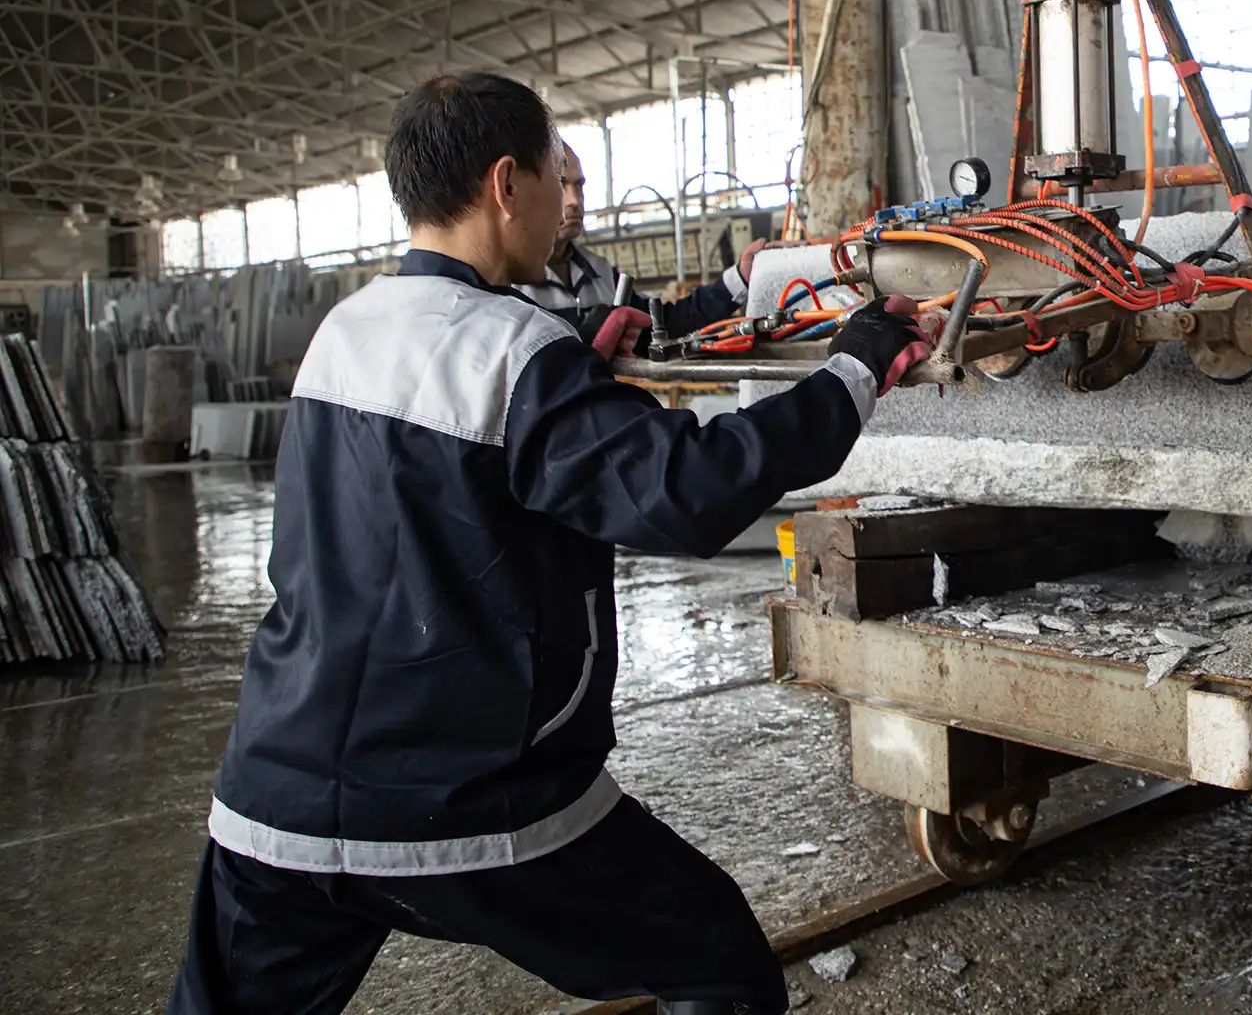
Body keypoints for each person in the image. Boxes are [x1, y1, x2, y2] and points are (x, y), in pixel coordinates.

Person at [166, 71, 928, 1015]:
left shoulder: (344, 331)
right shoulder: (517, 357)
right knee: (718, 965)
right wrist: (855, 368)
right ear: (505, 184)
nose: (563, 209)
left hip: (275, 796)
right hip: (467, 801)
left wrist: (570, 347)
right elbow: (687, 489)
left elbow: (453, 386)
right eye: (550, 179)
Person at [518, 143, 764, 342]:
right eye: (561, 184)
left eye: (579, 186)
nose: (574, 201)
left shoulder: (600, 273)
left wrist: (738, 279)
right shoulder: (511, 286)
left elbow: (662, 325)